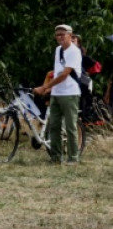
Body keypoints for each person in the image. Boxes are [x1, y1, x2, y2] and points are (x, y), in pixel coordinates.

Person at [33, 24, 81, 164]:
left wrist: (45, 87)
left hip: (70, 93)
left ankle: (73, 157)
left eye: (62, 34)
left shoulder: (74, 51)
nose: (59, 37)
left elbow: (64, 74)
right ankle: (56, 157)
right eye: (57, 34)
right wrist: (49, 89)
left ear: (70, 36)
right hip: (57, 92)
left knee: (70, 126)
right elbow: (56, 72)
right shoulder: (58, 50)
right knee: (54, 126)